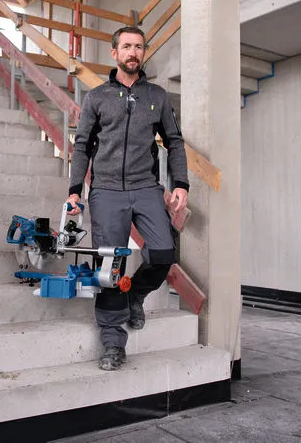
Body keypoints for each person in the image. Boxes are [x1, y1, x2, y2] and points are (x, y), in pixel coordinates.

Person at [66, 26, 189, 371]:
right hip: (105, 189)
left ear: (143, 53)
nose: (133, 52)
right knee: (110, 265)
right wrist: (75, 189)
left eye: (138, 47)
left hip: (145, 187)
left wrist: (180, 183)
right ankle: (112, 342)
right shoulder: (97, 97)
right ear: (115, 53)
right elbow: (82, 146)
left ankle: (136, 292)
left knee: (164, 252)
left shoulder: (157, 96)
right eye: (127, 47)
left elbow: (175, 142)